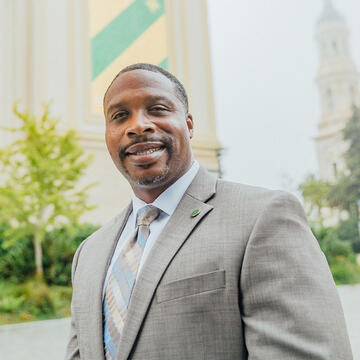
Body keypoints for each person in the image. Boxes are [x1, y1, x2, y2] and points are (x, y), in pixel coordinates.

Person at [66, 63, 353, 360]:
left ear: (189, 125)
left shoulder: (263, 219)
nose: (138, 125)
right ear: (107, 134)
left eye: (158, 109)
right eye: (119, 116)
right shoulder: (89, 254)